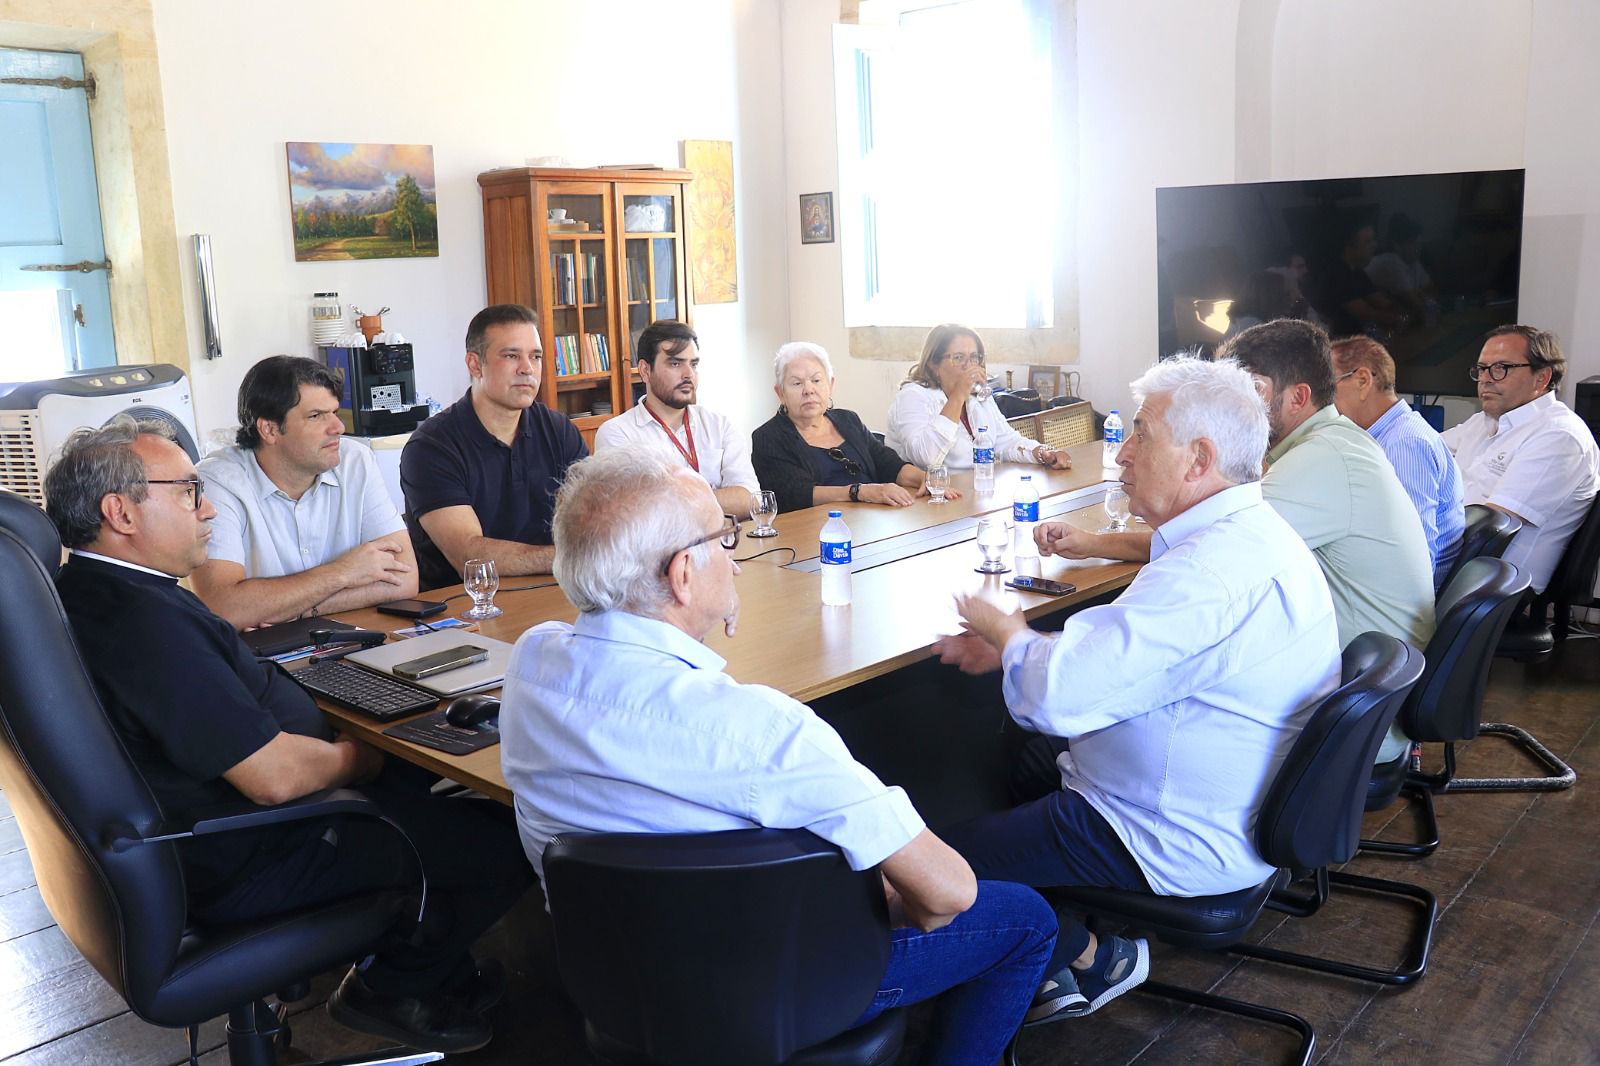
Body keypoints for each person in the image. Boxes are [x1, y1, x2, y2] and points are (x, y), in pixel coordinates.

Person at [497, 449, 1057, 1065]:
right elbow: (949, 894)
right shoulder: (764, 732)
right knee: (1027, 920)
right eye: (724, 538)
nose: (734, 559)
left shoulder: (528, 665)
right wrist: (877, 898)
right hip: (788, 985)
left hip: (611, 978)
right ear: (683, 574)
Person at [44, 416, 532, 1054]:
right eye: (189, 491)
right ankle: (393, 987)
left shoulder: (94, 589)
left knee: (416, 772)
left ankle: (427, 953)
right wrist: (359, 760)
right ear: (121, 513)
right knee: (511, 835)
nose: (209, 507)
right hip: (258, 849)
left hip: (202, 834)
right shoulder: (143, 622)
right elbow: (273, 778)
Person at [932, 356, 1340, 1024]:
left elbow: (1059, 697)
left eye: (1141, 434)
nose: (1122, 453)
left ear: (1197, 458)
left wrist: (1008, 632)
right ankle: (1047, 936)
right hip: (1225, 795)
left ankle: (1088, 953)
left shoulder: (1206, 571)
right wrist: (1022, 650)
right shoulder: (1251, 534)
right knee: (1022, 760)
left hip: (1155, 828)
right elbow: (1137, 653)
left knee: (925, 868)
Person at [1049, 321, 1434, 764]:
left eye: (1246, 390)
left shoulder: (1325, 458)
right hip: (1359, 694)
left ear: (1297, 397)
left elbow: (1209, 538)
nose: (1228, 404)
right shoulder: (1330, 444)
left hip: (1351, 724)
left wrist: (1095, 543)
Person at [192, 355, 417, 629]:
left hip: (348, 638)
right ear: (270, 429)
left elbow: (404, 580)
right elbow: (225, 607)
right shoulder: (218, 482)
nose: (338, 428)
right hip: (260, 659)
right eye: (316, 416)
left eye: (334, 412)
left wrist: (294, 610)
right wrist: (343, 573)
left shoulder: (355, 461)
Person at [401, 304, 588, 590]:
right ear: (475, 364)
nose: (527, 369)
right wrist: (572, 558)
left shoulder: (559, 430)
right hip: (464, 609)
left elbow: (588, 519)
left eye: (535, 356)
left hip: (553, 590)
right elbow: (470, 556)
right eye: (511, 355)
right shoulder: (430, 447)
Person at [1442, 325, 1600, 594]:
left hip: (1495, 586)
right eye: (1481, 369)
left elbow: (1487, 528)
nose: (1486, 379)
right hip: (1458, 560)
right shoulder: (1484, 421)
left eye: (1501, 368)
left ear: (1541, 378)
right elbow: (1424, 454)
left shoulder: (1559, 436)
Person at [751, 341, 959, 513]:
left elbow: (887, 463)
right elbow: (796, 494)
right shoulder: (768, 437)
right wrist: (860, 492)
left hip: (870, 520)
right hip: (816, 530)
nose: (809, 390)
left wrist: (926, 478)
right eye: (796, 383)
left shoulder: (847, 420)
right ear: (780, 393)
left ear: (830, 385)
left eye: (816, 380)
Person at [1331, 335, 1465, 589]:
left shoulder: (1403, 444)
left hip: (1398, 609)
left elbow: (1412, 559)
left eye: (1328, 386)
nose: (1322, 400)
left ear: (1362, 380)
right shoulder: (1390, 436)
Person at [593, 319, 760, 516]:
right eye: (675, 363)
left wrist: (673, 503)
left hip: (725, 545)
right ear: (645, 371)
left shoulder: (719, 426)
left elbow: (751, 500)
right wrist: (717, 497)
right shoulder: (618, 434)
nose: (688, 374)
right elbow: (633, 516)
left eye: (694, 364)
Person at [885, 324, 1072, 472]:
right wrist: (958, 396)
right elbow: (925, 458)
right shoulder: (912, 396)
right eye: (958, 358)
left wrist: (1042, 452)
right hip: (927, 500)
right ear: (934, 363)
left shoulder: (978, 396)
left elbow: (1006, 441)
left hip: (975, 490)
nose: (969, 366)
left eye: (974, 357)